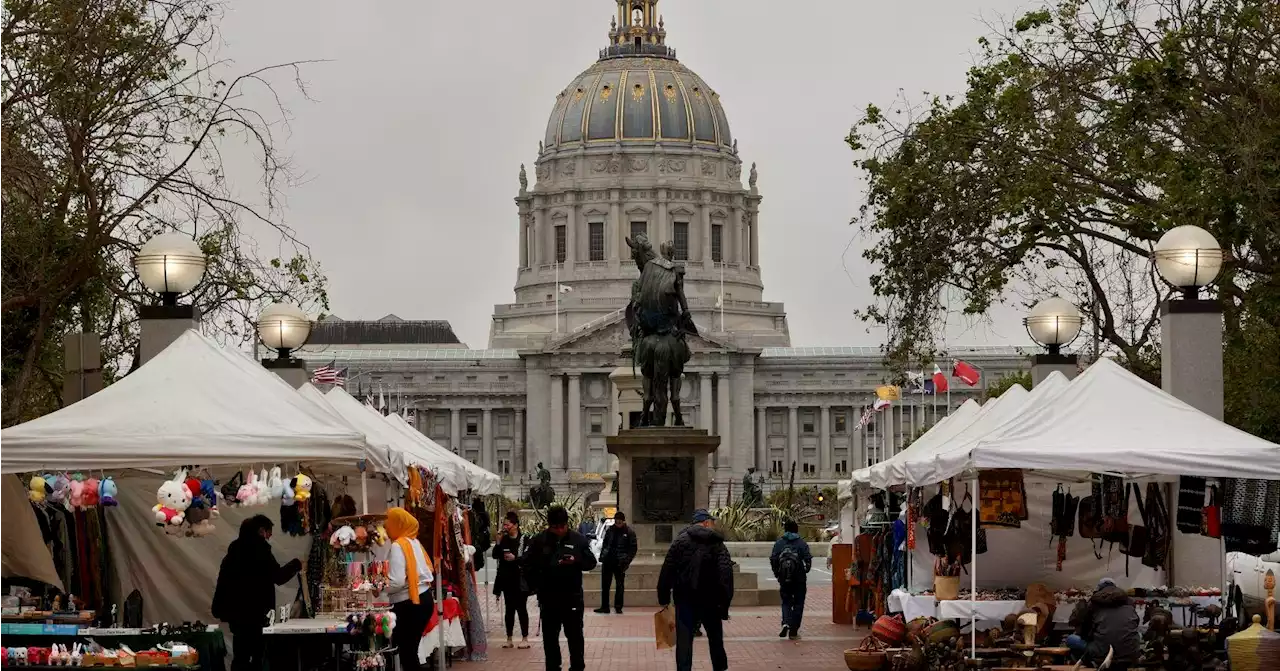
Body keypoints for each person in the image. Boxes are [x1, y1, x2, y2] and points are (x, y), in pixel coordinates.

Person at [212, 515, 302, 671]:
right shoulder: (261, 551)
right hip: (258, 614)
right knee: (259, 657)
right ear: (261, 531)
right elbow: (278, 577)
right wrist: (297, 563)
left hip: (237, 616)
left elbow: (222, 584)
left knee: (240, 656)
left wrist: (219, 608)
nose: (270, 536)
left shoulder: (232, 554)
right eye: (269, 532)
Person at [657, 508, 734, 671]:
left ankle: (684, 668)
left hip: (685, 599)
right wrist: (724, 604)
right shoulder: (717, 543)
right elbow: (726, 575)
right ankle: (719, 667)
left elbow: (667, 571)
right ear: (706, 523)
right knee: (715, 639)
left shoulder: (680, 542)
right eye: (711, 522)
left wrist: (663, 598)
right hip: (711, 600)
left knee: (684, 641)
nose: (713, 525)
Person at [524, 505, 597, 671]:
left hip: (572, 597)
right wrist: (536, 584)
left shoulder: (578, 539)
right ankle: (553, 667)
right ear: (549, 525)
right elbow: (527, 564)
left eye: (562, 526)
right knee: (550, 638)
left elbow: (591, 562)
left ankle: (577, 667)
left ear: (567, 524)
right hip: (548, 597)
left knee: (575, 636)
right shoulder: (539, 540)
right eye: (555, 527)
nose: (559, 530)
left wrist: (576, 560)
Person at [385, 507, 434, 671]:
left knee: (408, 652)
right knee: (410, 651)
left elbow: (397, 581)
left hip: (410, 603)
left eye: (388, 522)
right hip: (423, 598)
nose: (385, 526)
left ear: (397, 523)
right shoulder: (414, 542)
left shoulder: (399, 546)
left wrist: (379, 589)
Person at [1065, 577, 1141, 667]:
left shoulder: (1093, 602)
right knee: (1138, 634)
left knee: (1071, 639)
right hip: (1130, 652)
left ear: (1099, 589)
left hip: (1102, 651)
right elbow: (1135, 623)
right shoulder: (1129, 602)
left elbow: (1085, 629)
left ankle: (1090, 663)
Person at [493, 511, 531, 649]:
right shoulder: (504, 540)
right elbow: (495, 555)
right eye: (504, 524)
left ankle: (525, 638)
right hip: (507, 579)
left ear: (515, 525)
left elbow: (528, 558)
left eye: (507, 524)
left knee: (521, 608)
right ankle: (509, 638)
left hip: (520, 580)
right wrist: (497, 542)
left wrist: (515, 558)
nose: (505, 527)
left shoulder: (525, 539)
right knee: (509, 610)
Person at [770, 520, 813, 640]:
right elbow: (808, 560)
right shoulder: (801, 543)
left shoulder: (779, 543)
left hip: (784, 578)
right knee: (799, 603)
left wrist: (778, 574)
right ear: (796, 529)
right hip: (799, 578)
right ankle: (794, 631)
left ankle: (785, 622)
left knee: (786, 601)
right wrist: (805, 571)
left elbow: (773, 559)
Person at [595, 511, 638, 614]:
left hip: (620, 562)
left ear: (623, 521)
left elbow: (633, 548)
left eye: (619, 521)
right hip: (608, 561)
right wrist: (602, 557)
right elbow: (605, 544)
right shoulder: (610, 530)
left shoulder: (629, 532)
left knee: (619, 585)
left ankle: (618, 607)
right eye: (616, 520)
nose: (617, 522)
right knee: (605, 585)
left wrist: (627, 561)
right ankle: (605, 607)